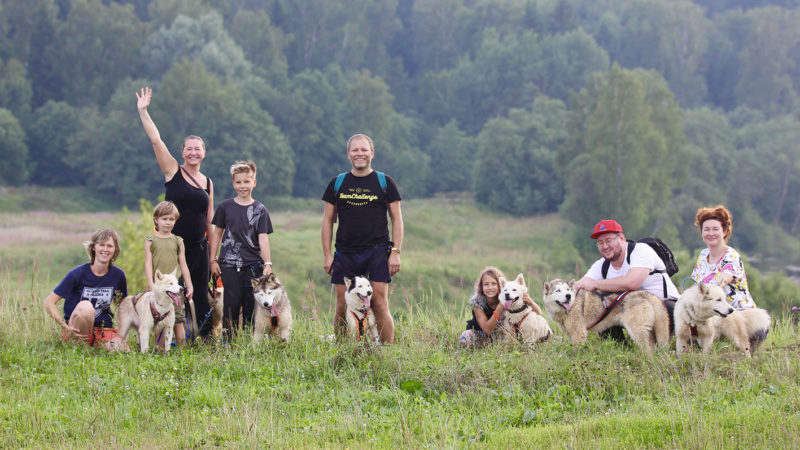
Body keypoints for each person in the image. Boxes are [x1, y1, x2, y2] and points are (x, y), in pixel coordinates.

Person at [137, 86, 214, 337]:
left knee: (200, 293)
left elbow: (210, 220)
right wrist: (144, 111)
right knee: (168, 293)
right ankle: (166, 340)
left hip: (198, 247)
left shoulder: (208, 182)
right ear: (182, 152)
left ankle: (202, 340)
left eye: (197, 148)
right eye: (189, 148)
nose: (193, 152)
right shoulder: (172, 171)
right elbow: (156, 140)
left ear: (204, 153)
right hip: (170, 245)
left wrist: (213, 257)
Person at [321, 133, 403, 344]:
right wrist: (328, 255)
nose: (360, 154)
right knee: (342, 304)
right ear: (349, 154)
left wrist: (395, 252)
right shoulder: (337, 183)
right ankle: (341, 350)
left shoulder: (385, 182)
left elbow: (397, 219)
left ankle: (387, 351)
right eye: (355, 150)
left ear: (372, 153)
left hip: (377, 251)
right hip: (345, 252)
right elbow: (327, 221)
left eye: (364, 150)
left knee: (378, 302)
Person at [573, 219, 679, 335]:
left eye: (608, 241)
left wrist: (595, 284)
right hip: (631, 310)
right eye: (600, 243)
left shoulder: (641, 250)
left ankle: (662, 345)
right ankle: (617, 348)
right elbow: (580, 285)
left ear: (622, 238)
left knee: (668, 308)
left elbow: (631, 283)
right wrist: (559, 286)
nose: (605, 246)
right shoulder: (602, 264)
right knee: (600, 310)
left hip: (662, 306)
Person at [209, 161, 273, 337]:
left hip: (253, 266)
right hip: (228, 265)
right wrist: (212, 259)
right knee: (230, 306)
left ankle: (247, 342)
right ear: (233, 183)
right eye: (238, 182)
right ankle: (229, 343)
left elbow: (263, 237)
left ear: (254, 182)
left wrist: (267, 263)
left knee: (251, 306)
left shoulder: (260, 210)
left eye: (246, 181)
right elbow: (217, 233)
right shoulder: (225, 207)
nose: (242, 186)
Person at [43, 228, 128, 351]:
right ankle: (79, 347)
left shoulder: (118, 275)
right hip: (78, 327)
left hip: (102, 329)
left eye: (109, 246)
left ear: (115, 250)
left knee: (122, 349)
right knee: (86, 307)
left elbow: (122, 305)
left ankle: (96, 347)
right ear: (94, 247)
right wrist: (64, 326)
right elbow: (48, 303)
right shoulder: (77, 274)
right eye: (101, 245)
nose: (105, 249)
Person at [145, 201, 194, 349]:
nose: (168, 222)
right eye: (164, 219)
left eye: (171, 219)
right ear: (156, 220)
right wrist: (151, 284)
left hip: (173, 288)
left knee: (178, 319)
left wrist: (189, 285)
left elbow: (183, 265)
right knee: (157, 320)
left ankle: (182, 352)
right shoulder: (150, 240)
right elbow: (148, 263)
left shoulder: (177, 241)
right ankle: (159, 352)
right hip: (158, 287)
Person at [691, 205, 756, 310]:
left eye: (715, 229)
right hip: (713, 315)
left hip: (741, 315)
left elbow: (722, 281)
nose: (711, 233)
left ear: (724, 231)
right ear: (701, 232)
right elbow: (696, 286)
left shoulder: (731, 256)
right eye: (706, 229)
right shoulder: (703, 255)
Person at [458, 267, 508, 347]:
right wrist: (499, 308)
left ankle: (501, 346)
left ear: (500, 285)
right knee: (465, 337)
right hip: (482, 335)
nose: (490, 288)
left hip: (502, 336)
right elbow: (487, 330)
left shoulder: (508, 297)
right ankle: (484, 347)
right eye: (486, 284)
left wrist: (530, 302)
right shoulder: (477, 302)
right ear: (481, 286)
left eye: (494, 284)